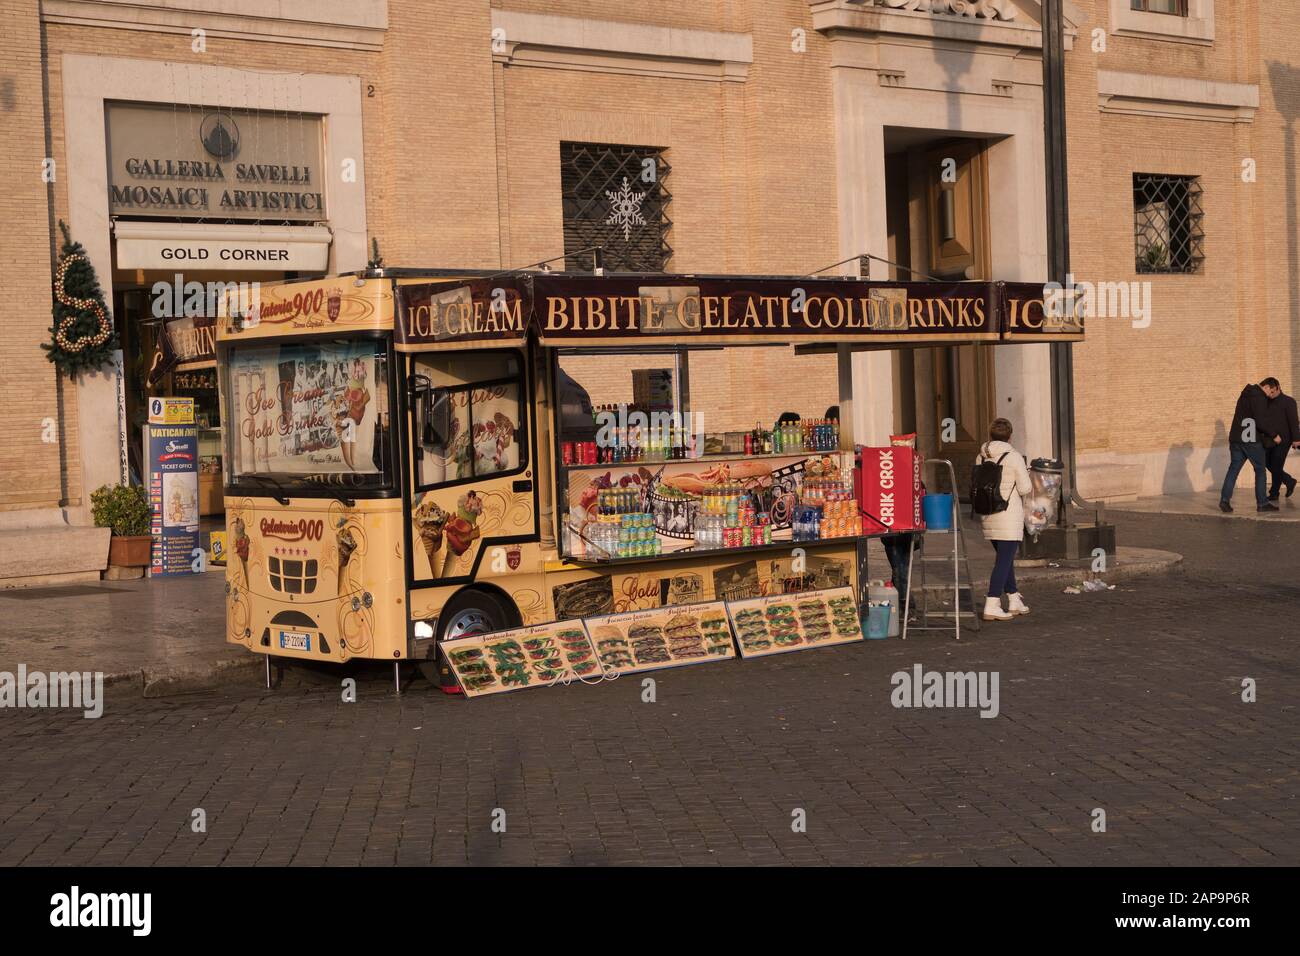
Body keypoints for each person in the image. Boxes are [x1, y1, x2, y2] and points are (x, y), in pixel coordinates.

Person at [975, 418, 1032, 622]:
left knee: (1005, 560)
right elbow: (1025, 488)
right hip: (1008, 516)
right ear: (1010, 435)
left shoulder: (980, 457)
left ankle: (1014, 598)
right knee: (1003, 562)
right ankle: (992, 603)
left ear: (990, 435)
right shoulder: (1014, 457)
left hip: (988, 514)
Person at [1220, 378, 1281, 513]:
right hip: (1251, 440)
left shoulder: (1245, 394)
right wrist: (1274, 435)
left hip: (1236, 439)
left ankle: (1224, 500)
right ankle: (1262, 503)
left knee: (1233, 469)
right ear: (1266, 387)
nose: (1270, 395)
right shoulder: (1259, 397)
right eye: (1271, 392)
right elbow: (1260, 421)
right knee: (1260, 471)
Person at [1265, 382, 1300, 501]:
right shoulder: (1267, 401)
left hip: (1284, 440)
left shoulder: (1289, 401)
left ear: (1278, 388)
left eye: (1272, 391)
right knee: (1267, 462)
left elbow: (1294, 421)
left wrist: (1296, 439)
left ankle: (1274, 492)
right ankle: (1289, 481)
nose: (1270, 393)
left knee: (1276, 465)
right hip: (1270, 439)